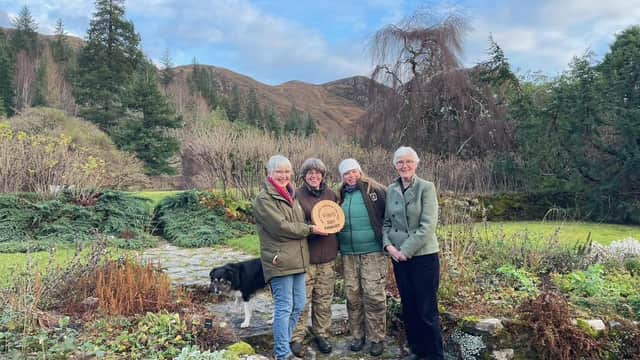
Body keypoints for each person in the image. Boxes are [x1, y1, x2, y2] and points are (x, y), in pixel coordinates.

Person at [253, 155, 326, 360]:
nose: (284, 175)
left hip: (298, 260)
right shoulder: (264, 199)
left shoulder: (290, 195)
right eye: (279, 172)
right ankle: (282, 353)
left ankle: (282, 346)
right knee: (284, 307)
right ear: (270, 173)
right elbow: (280, 227)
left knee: (299, 304)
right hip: (280, 260)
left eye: (287, 172)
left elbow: (296, 222)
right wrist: (310, 229)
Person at [382, 146, 444, 360]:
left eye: (408, 161)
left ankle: (434, 355)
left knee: (426, 309)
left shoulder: (427, 188)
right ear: (395, 165)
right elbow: (387, 222)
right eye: (400, 162)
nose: (404, 166)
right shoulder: (391, 190)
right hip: (398, 258)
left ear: (416, 164)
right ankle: (417, 351)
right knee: (409, 306)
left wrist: (406, 251)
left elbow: (428, 225)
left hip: (423, 257)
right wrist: (388, 246)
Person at [336, 158, 388, 357]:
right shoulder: (339, 195)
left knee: (374, 295)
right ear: (342, 176)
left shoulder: (374, 190)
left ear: (360, 171)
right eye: (346, 173)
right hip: (349, 254)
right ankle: (358, 336)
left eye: (353, 171)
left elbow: (388, 217)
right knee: (352, 296)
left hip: (372, 252)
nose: (351, 176)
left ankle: (377, 338)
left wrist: (387, 241)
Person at [290, 158, 340, 356]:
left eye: (317, 172)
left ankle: (322, 334)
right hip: (305, 257)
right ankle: (296, 336)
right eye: (310, 173)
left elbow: (338, 219)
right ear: (304, 176)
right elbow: (293, 225)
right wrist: (312, 228)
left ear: (323, 175)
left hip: (328, 256)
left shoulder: (331, 195)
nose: (314, 176)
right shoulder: (296, 195)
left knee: (324, 299)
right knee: (301, 300)